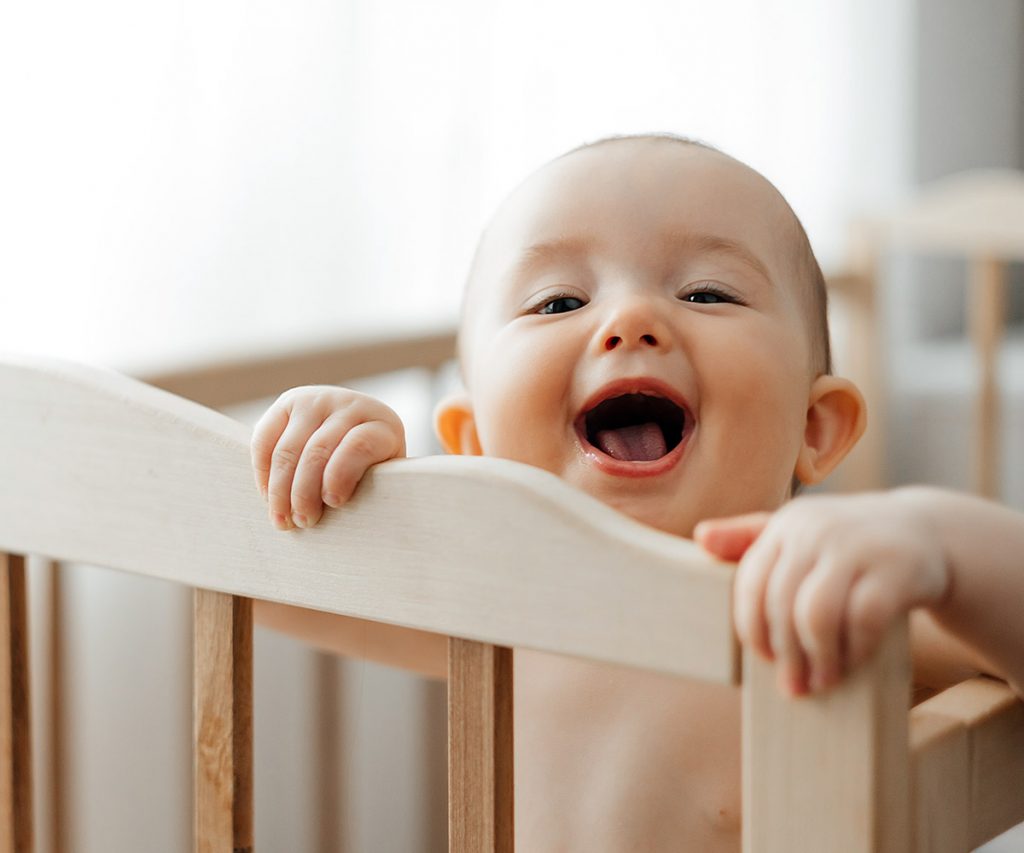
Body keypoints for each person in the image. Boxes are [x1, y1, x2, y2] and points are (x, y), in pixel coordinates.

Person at [250, 134, 1024, 851]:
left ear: (815, 427)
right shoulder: (501, 598)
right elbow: (257, 582)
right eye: (558, 302)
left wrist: (938, 539)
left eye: (708, 293)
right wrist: (335, 471)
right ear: (475, 442)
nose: (631, 320)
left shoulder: (815, 600)